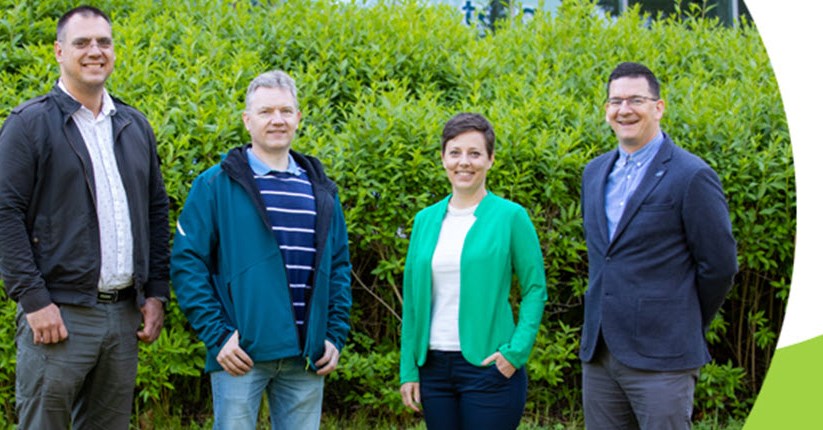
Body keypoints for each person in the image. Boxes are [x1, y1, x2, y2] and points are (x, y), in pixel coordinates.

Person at [0, 5, 170, 428]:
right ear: (59, 51)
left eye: (104, 42)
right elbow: (4, 213)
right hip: (59, 314)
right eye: (82, 43)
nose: (95, 51)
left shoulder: (134, 126)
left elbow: (155, 211)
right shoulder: (29, 124)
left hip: (123, 316)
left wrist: (156, 292)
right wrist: (34, 300)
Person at [171, 70, 352, 429]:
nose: (277, 120)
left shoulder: (322, 190)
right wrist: (217, 335)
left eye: (286, 111)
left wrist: (333, 334)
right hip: (240, 355)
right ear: (247, 120)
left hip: (306, 357)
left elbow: (340, 266)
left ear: (298, 118)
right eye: (266, 111)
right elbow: (186, 263)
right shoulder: (214, 185)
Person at [579, 62, 738, 429]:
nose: (624, 109)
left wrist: (681, 317)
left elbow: (720, 266)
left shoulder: (691, 175)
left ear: (659, 107)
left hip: (664, 355)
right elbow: (605, 258)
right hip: (600, 352)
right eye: (615, 101)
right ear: (606, 110)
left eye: (636, 99)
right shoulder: (594, 173)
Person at [399, 113, 547, 430]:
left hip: (489, 366)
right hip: (434, 368)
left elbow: (536, 288)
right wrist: (409, 370)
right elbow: (412, 300)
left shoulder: (511, 217)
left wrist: (516, 352)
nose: (464, 162)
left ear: (490, 160)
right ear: (442, 158)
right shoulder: (425, 220)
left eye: (475, 153)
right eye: (455, 152)